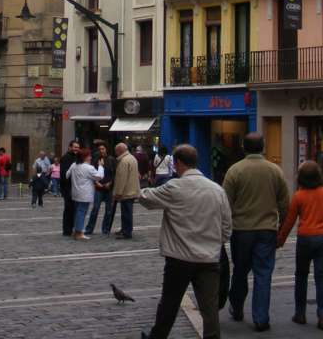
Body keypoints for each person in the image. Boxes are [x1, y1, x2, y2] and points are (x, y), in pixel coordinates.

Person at [138, 144, 230, 339]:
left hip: (179, 258)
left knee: (169, 303)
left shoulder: (175, 187)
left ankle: (157, 337)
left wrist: (136, 188)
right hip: (208, 258)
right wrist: (214, 243)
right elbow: (227, 227)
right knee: (209, 307)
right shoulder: (217, 190)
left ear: (178, 163)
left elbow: (147, 198)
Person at [222, 132, 289, 331]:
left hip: (241, 230)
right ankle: (261, 318)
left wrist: (225, 228)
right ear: (264, 147)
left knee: (240, 271)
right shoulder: (275, 171)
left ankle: (236, 305)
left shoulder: (235, 171)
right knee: (263, 273)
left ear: (244, 147)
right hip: (267, 229)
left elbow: (225, 203)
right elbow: (285, 204)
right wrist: (282, 229)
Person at [277, 161, 323, 330]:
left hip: (305, 238)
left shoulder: (299, 196)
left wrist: (281, 239)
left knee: (301, 276)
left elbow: (289, 221)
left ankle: (300, 313)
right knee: (322, 278)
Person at [66, 148, 100, 241]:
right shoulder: (89, 168)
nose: (91, 157)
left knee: (78, 212)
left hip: (75, 192)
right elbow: (99, 177)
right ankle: (79, 232)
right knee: (81, 212)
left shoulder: (74, 165)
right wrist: (101, 167)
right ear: (85, 157)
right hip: (85, 194)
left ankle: (77, 230)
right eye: (89, 156)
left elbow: (67, 175)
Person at [86, 142, 116, 235]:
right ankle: (89, 229)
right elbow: (91, 174)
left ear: (106, 149)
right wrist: (96, 183)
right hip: (98, 188)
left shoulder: (111, 160)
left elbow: (115, 174)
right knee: (95, 208)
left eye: (103, 149)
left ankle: (105, 229)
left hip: (109, 188)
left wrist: (110, 183)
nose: (101, 151)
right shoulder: (95, 160)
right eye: (100, 149)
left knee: (108, 210)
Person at [112, 142, 139, 239]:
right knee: (127, 212)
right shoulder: (132, 158)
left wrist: (118, 192)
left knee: (126, 213)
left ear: (120, 150)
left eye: (116, 151)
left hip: (126, 191)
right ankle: (125, 229)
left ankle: (127, 232)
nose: (115, 153)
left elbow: (121, 178)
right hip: (131, 190)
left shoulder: (124, 161)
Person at [60, 140, 80, 237]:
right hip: (68, 188)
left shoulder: (77, 158)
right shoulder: (66, 158)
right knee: (68, 209)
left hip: (75, 188)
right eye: (75, 147)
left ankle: (71, 228)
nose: (76, 149)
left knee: (73, 209)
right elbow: (64, 175)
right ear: (70, 147)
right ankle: (67, 230)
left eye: (77, 147)